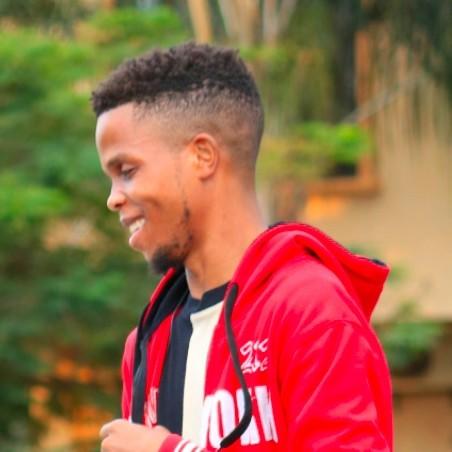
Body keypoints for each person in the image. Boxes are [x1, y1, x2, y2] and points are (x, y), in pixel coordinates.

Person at [92, 42, 393, 452]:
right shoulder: (146, 343)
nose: (113, 198)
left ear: (203, 156)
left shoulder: (312, 309)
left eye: (127, 171)